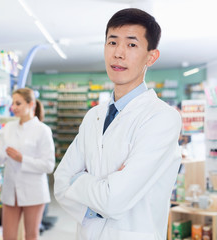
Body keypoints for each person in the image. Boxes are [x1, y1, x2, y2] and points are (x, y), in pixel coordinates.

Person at [54, 8, 182, 240]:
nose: (118, 53)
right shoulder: (93, 115)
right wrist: (100, 194)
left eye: (132, 45)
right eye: (112, 42)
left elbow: (114, 201)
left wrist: (79, 180)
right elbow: (61, 182)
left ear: (151, 56)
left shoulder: (162, 118)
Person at [0, 87, 55, 240]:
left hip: (34, 190)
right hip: (11, 190)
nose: (13, 107)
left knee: (31, 235)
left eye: (18, 103)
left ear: (31, 105)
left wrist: (22, 159)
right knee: (8, 236)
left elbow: (48, 165)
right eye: (13, 103)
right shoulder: (8, 128)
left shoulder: (43, 130)